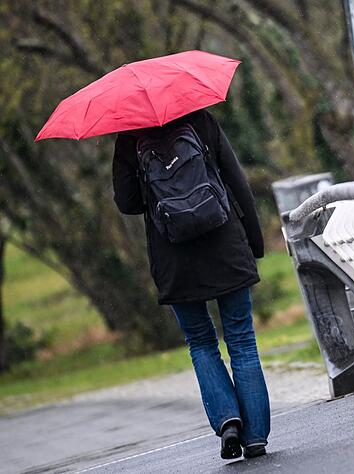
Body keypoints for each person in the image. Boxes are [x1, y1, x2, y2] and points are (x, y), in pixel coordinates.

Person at [112, 109, 270, 460]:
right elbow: (236, 180)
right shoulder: (201, 120)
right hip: (224, 243)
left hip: (174, 255)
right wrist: (254, 243)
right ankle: (256, 435)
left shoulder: (129, 138)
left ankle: (228, 420)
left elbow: (127, 202)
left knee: (201, 344)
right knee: (242, 340)